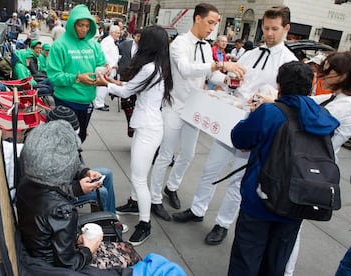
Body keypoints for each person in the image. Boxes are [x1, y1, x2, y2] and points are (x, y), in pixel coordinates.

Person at [172, 6, 297, 247]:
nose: (269, 33)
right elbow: (233, 81)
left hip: (258, 124)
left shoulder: (288, 61)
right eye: (266, 28)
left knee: (237, 179)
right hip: (230, 118)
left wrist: (269, 100)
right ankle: (198, 209)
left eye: (275, 29)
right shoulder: (250, 54)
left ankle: (222, 223)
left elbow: (289, 99)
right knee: (211, 167)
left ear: (286, 29)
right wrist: (228, 83)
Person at [228, 61, 339, 276]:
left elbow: (239, 138)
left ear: (279, 84)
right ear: (311, 87)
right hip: (298, 198)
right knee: (276, 262)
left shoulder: (270, 111)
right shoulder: (322, 117)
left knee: (247, 257)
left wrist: (254, 114)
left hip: (261, 198)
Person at [147, 3, 245, 222]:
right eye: (210, 22)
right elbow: (186, 68)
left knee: (189, 154)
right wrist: (219, 65)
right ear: (198, 19)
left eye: (215, 24)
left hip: (194, 109)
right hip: (174, 106)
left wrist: (229, 79)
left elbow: (209, 77)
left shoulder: (205, 46)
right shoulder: (180, 43)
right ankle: (154, 199)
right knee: (166, 154)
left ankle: (171, 187)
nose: (213, 28)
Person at [17, 120, 131, 275]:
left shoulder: (25, 182)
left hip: (34, 252)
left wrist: (83, 173)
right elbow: (68, 264)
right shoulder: (62, 210)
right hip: (50, 269)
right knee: (129, 256)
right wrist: (88, 249)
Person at [95, 25, 173, 246]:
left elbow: (127, 91)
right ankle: (133, 202)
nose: (137, 41)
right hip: (149, 125)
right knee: (138, 174)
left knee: (139, 178)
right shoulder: (159, 66)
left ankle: (145, 224)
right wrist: (115, 83)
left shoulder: (149, 68)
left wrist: (105, 83)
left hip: (148, 128)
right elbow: (133, 87)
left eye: (141, 39)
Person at [287, 51, 351, 276]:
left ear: (343, 75)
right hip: (307, 165)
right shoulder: (333, 98)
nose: (321, 74)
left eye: (327, 70)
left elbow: (313, 118)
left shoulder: (346, 105)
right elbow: (308, 102)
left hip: (315, 172)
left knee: (292, 227)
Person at [47, 4, 107, 142]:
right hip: (66, 100)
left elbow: (102, 64)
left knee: (80, 138)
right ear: (72, 24)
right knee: (65, 140)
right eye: (80, 25)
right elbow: (54, 76)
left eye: (87, 25)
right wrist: (77, 78)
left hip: (87, 100)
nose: (84, 29)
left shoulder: (94, 45)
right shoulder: (59, 45)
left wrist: (103, 72)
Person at [45, 105, 117, 214]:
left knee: (106, 173)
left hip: (66, 182)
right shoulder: (44, 154)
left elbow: (74, 163)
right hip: (55, 197)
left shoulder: (61, 142)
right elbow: (47, 191)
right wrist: (77, 188)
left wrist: (86, 171)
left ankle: (111, 218)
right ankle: (104, 221)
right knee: (101, 192)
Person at [117, 29, 141, 137]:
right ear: (134, 36)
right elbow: (117, 56)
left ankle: (133, 128)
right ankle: (131, 126)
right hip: (125, 75)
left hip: (138, 77)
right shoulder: (124, 45)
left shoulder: (145, 49)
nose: (139, 39)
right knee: (126, 102)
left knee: (134, 104)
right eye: (137, 36)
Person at [94, 25, 121, 111]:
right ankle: (98, 103)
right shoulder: (107, 41)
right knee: (103, 85)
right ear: (112, 33)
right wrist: (111, 64)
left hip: (111, 67)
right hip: (107, 67)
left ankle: (100, 101)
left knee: (105, 86)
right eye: (117, 33)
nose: (119, 35)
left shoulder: (111, 41)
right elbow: (104, 55)